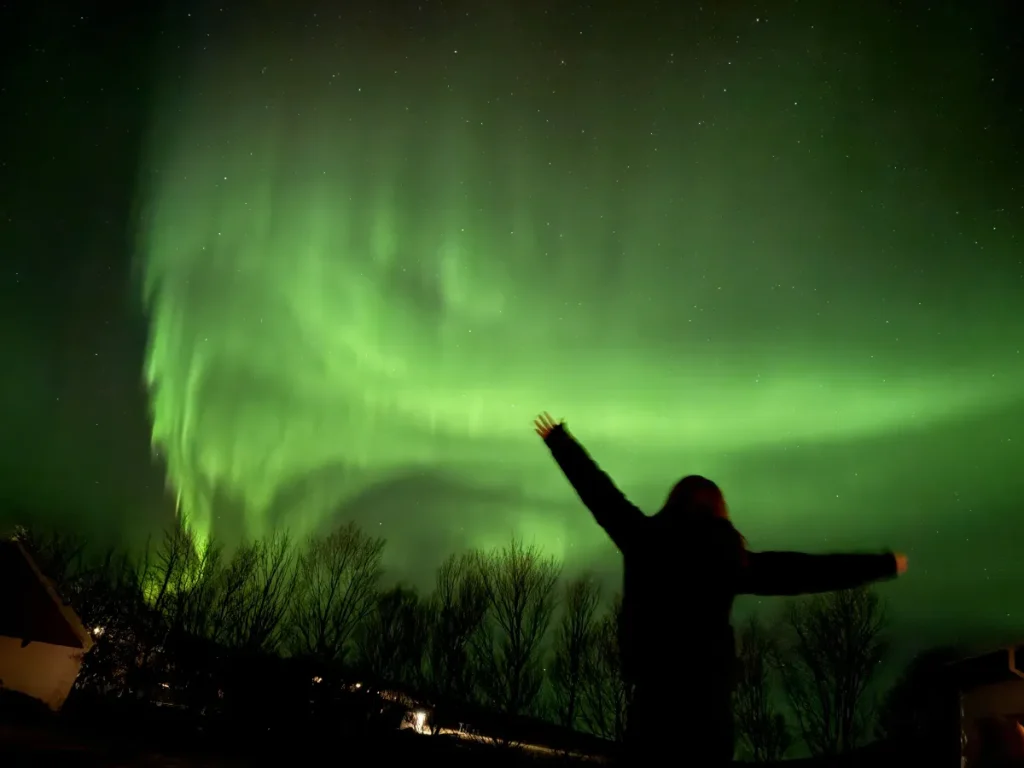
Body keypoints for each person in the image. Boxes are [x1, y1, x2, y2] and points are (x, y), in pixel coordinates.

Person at [533, 412, 908, 766]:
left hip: (653, 702)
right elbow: (806, 570)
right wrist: (881, 565)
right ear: (718, 510)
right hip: (708, 708)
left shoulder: (644, 540)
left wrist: (560, 442)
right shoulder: (730, 560)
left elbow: (599, 493)